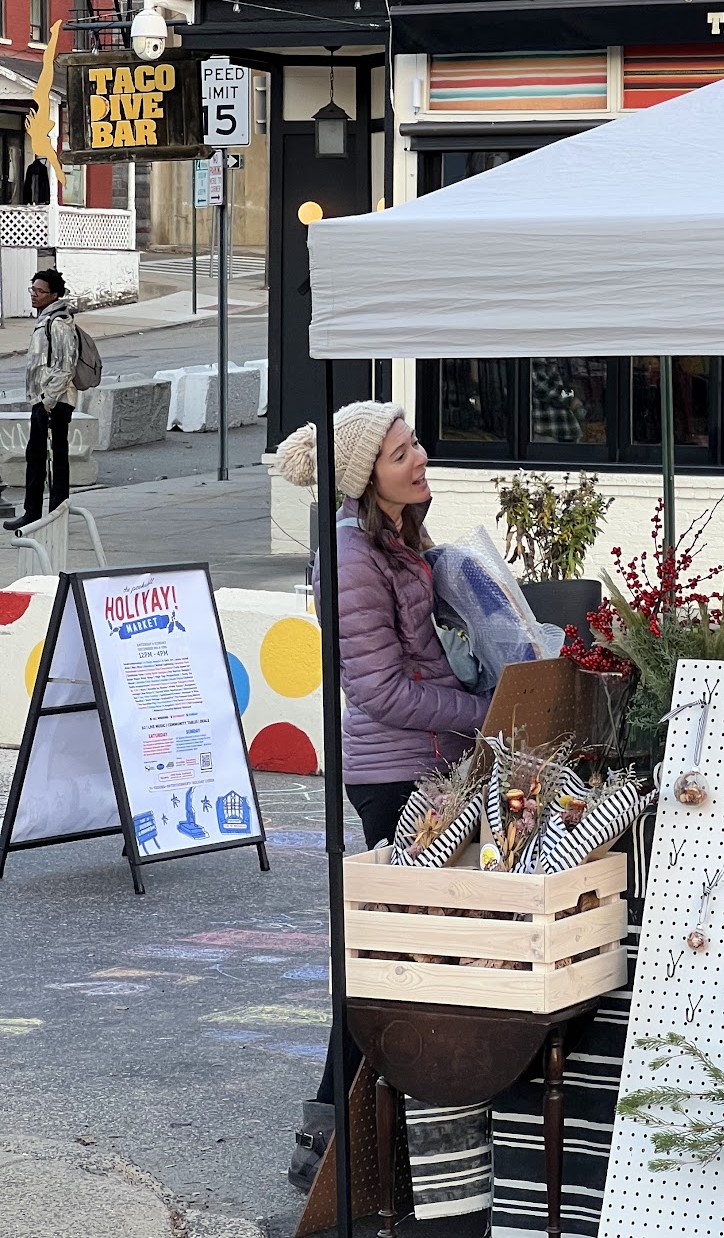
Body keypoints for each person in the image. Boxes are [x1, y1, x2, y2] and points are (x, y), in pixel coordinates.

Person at [275, 400, 490, 1194]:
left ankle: (353, 1131)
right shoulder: (353, 558)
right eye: (402, 454)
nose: (420, 459)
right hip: (394, 776)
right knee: (387, 963)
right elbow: (381, 690)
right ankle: (328, 1137)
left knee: (399, 960)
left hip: (430, 764)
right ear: (370, 476)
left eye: (417, 444)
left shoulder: (398, 542)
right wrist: (482, 716)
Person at [4, 269, 79, 531]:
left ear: (54, 294)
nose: (34, 296)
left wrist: (47, 402)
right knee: (38, 456)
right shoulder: (47, 320)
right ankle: (37, 512)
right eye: (32, 290)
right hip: (46, 399)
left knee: (51, 457)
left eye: (40, 291)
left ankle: (47, 513)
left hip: (54, 401)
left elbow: (65, 367)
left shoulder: (57, 323)